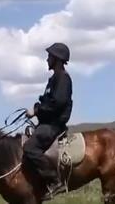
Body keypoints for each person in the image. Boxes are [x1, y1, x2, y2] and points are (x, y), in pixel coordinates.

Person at [24, 42, 73, 200]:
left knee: (30, 148)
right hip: (47, 123)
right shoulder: (53, 79)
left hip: (54, 125)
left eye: (49, 56)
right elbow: (48, 101)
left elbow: (58, 104)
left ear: (57, 59)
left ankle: (55, 180)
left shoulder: (63, 79)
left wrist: (36, 111)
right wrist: (37, 107)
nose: (47, 59)